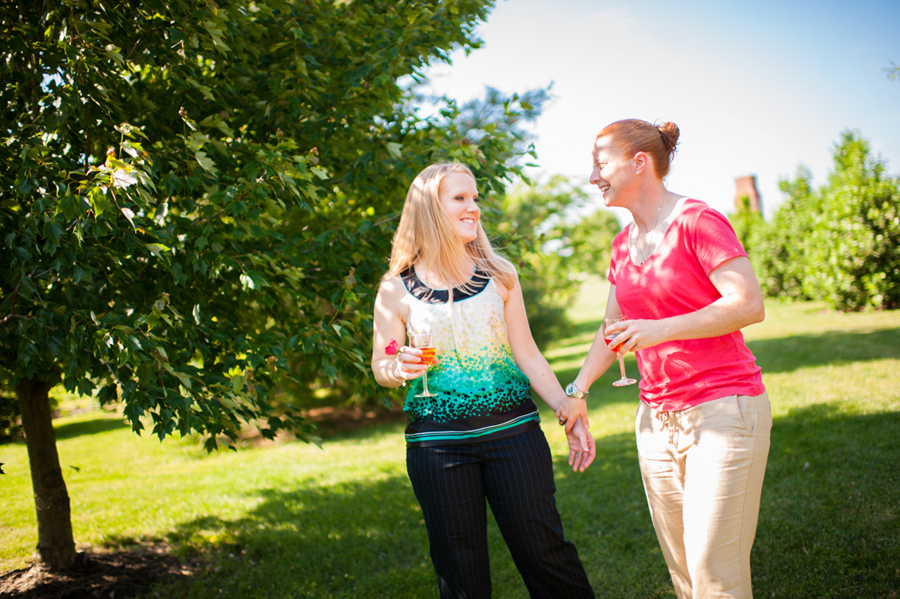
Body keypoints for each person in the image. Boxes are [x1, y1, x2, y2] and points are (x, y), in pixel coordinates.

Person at [558, 119, 772, 599]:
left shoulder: (698, 221)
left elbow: (748, 304)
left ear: (639, 163)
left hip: (723, 408)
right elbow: (610, 331)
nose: (593, 176)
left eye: (601, 163)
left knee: (714, 570)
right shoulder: (622, 245)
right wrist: (577, 392)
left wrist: (659, 330)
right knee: (683, 574)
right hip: (655, 421)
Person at [371, 162, 596, 599]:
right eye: (460, 198)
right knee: (460, 570)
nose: (473, 207)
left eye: (474, 198)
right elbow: (382, 366)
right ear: (429, 209)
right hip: (437, 448)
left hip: (514, 436)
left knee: (545, 552)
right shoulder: (394, 289)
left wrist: (567, 406)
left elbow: (526, 352)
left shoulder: (500, 274)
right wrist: (399, 368)